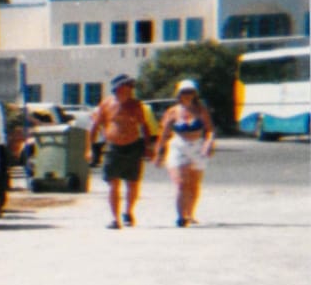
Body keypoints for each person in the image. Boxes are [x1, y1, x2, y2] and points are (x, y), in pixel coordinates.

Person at [87, 74, 156, 228]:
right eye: (126, 86)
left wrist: (148, 147)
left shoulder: (136, 105)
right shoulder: (106, 104)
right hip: (113, 147)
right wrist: (90, 149)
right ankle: (115, 219)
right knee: (113, 183)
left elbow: (144, 126)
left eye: (131, 87)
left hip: (133, 146)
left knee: (132, 183)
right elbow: (94, 127)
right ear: (117, 88)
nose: (130, 89)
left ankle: (128, 211)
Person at [155, 77, 216, 227]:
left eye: (190, 92)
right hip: (179, 146)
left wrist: (208, 143)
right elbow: (163, 134)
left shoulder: (201, 110)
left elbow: (209, 130)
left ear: (195, 94)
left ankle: (190, 213)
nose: (187, 95)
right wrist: (158, 153)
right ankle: (180, 216)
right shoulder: (173, 112)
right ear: (179, 94)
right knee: (181, 183)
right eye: (184, 92)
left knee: (194, 184)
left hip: (197, 147)